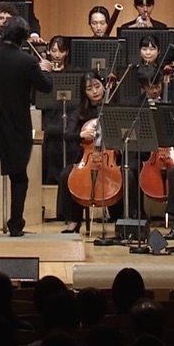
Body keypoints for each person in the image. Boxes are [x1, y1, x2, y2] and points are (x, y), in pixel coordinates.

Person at [0, 16, 54, 236]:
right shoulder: (28, 61)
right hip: (17, 124)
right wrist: (45, 68)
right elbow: (46, 87)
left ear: (3, 33)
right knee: (18, 175)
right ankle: (16, 225)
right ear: (23, 38)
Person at [54, 72, 109, 234]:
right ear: (84, 92)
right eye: (89, 88)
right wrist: (81, 135)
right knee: (66, 175)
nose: (95, 91)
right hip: (86, 157)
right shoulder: (79, 112)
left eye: (97, 86)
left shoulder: (113, 107)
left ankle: (122, 218)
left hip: (109, 157)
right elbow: (67, 135)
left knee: (128, 176)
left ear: (104, 86)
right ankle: (74, 221)